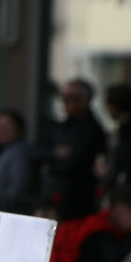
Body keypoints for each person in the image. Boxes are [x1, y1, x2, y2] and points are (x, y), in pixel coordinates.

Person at [35, 79, 108, 220]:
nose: (64, 103)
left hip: (76, 199)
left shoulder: (91, 129)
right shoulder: (59, 126)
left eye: (70, 99)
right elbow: (36, 153)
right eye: (63, 98)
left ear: (84, 100)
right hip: (53, 193)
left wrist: (54, 157)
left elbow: (74, 161)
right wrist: (55, 153)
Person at [0, 108, 37, 214]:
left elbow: (18, 190)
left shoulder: (20, 153)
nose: (1, 130)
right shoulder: (6, 151)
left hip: (8, 213)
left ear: (19, 129)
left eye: (7, 126)